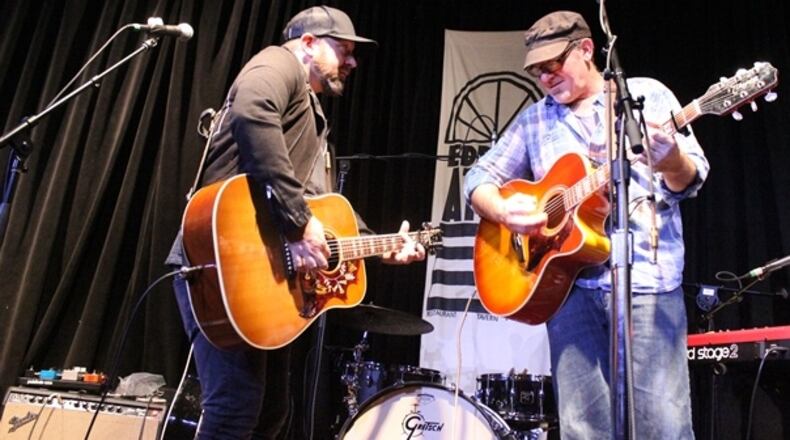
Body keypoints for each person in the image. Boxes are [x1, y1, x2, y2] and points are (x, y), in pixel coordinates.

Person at [166, 6, 425, 438]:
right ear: (308, 43)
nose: (353, 61)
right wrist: (298, 224)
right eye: (343, 49)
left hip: (266, 281)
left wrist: (381, 244)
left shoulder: (311, 119)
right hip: (224, 263)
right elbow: (252, 108)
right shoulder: (278, 63)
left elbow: (321, 208)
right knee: (233, 410)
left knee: (270, 413)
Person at [464, 10, 708, 439]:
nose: (545, 77)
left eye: (553, 64)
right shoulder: (535, 119)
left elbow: (690, 178)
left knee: (663, 428)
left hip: (646, 285)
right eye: (537, 70)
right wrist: (503, 212)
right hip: (569, 293)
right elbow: (477, 178)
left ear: (586, 50)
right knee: (582, 429)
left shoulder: (644, 96)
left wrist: (670, 159)